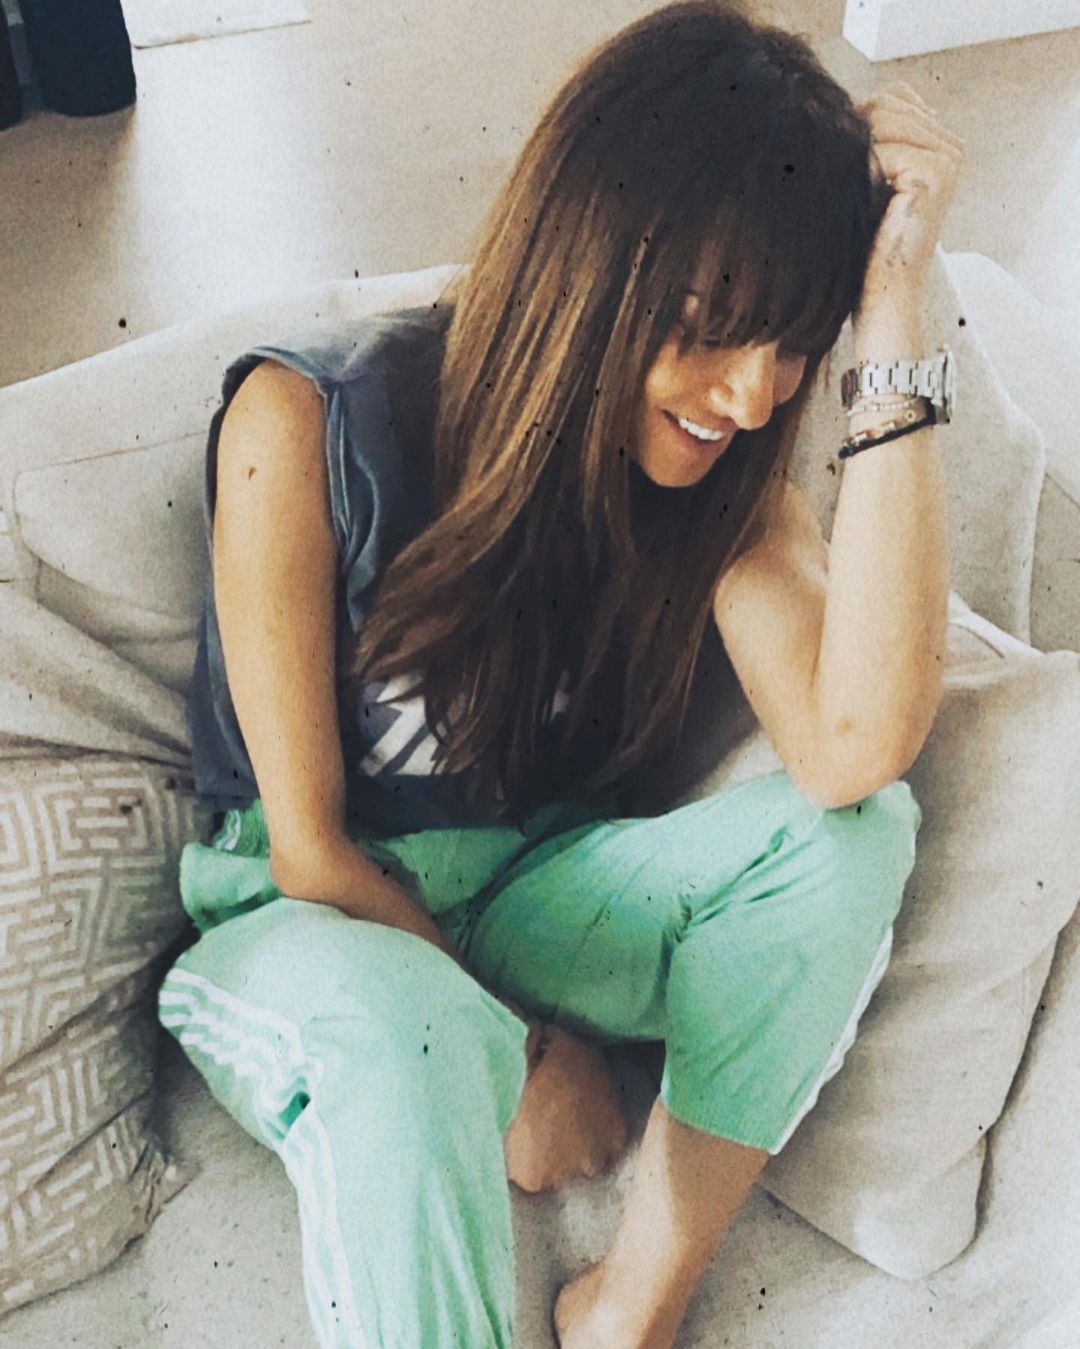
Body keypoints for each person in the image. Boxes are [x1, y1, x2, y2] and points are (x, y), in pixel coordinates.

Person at [157, 1, 963, 1345]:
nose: (750, 396)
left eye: (791, 346)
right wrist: (522, 1050)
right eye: (712, 326)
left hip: (531, 892)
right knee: (408, 1028)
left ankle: (629, 1313)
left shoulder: (726, 490)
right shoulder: (304, 424)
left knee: (854, 834)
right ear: (592, 261)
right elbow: (308, 849)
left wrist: (890, 313)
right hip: (306, 926)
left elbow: (854, 745)